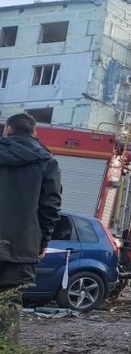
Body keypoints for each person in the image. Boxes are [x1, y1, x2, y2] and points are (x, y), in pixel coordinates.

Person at [0, 113, 62, 341]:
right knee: (10, 303)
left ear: (8, 129)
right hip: (22, 247)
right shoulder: (47, 162)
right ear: (34, 133)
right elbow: (50, 207)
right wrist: (43, 241)